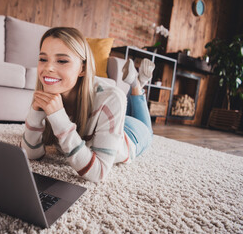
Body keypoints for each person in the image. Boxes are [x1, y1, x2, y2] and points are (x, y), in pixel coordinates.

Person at [21, 27, 154, 182]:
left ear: (82, 68)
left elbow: (98, 173)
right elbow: (30, 154)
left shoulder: (111, 97)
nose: (48, 68)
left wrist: (59, 118)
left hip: (132, 135)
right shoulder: (50, 90)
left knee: (149, 131)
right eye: (43, 59)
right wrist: (35, 114)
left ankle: (136, 86)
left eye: (62, 61)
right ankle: (136, 83)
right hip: (108, 121)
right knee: (120, 109)